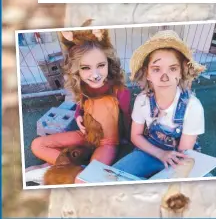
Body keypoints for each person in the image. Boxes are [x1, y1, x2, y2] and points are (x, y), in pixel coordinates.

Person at [30, 28, 131, 169]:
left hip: (107, 143)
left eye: (101, 65)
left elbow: (127, 116)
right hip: (85, 136)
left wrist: (126, 138)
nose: (95, 75)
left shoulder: (119, 90)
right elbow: (81, 105)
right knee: (37, 145)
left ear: (109, 63)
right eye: (85, 68)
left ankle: (71, 169)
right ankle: (74, 168)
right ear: (76, 70)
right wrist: (78, 115)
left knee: (91, 172)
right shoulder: (83, 85)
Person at [111, 30, 205, 179]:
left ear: (181, 72)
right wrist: (160, 154)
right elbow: (135, 136)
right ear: (147, 74)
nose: (165, 77)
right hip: (150, 151)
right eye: (156, 69)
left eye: (173, 68)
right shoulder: (142, 101)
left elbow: (183, 152)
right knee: (112, 177)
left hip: (179, 157)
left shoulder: (193, 107)